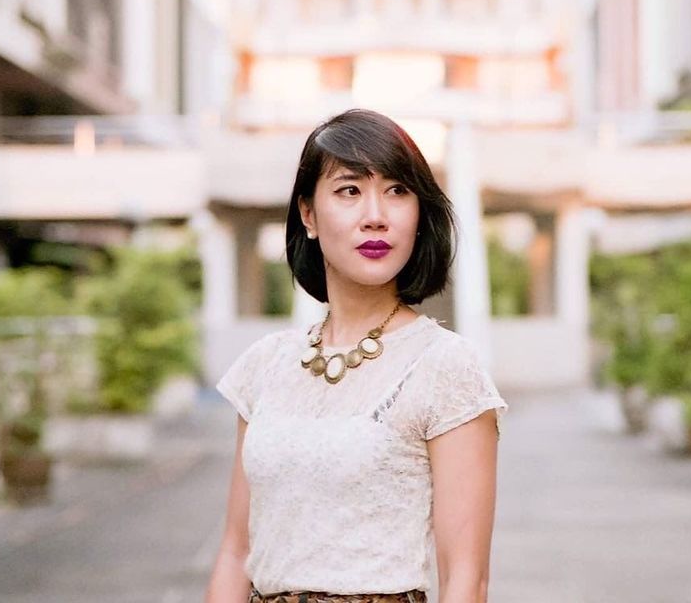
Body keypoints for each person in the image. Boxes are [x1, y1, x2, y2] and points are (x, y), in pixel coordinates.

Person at [204, 108, 507, 603]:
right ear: (308, 214)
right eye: (349, 190)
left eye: (397, 191)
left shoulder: (444, 366)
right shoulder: (266, 364)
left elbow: (465, 580)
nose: (376, 216)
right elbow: (236, 552)